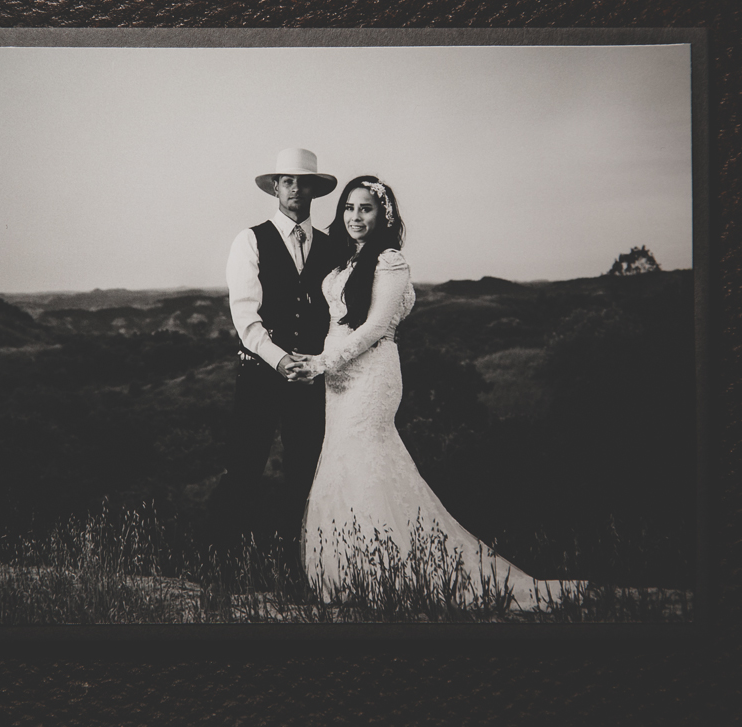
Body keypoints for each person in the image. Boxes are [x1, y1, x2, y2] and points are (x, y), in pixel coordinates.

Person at [291, 176, 568, 609]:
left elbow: (376, 327)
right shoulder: (346, 261)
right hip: (338, 382)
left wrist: (321, 363)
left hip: (371, 377)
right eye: (348, 208)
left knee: (369, 462)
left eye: (365, 208)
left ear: (382, 213)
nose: (355, 217)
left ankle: (389, 572)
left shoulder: (390, 261)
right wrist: (314, 362)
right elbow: (336, 323)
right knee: (342, 461)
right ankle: (349, 574)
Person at [209, 148, 342, 554]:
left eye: (304, 182)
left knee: (304, 472)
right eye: (288, 181)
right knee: (245, 468)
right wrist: (281, 360)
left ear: (315, 191)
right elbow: (245, 318)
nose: (296, 189)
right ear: (276, 189)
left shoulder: (331, 246)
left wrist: (315, 364)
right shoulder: (251, 239)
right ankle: (219, 565)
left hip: (312, 377)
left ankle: (294, 565)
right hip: (261, 374)